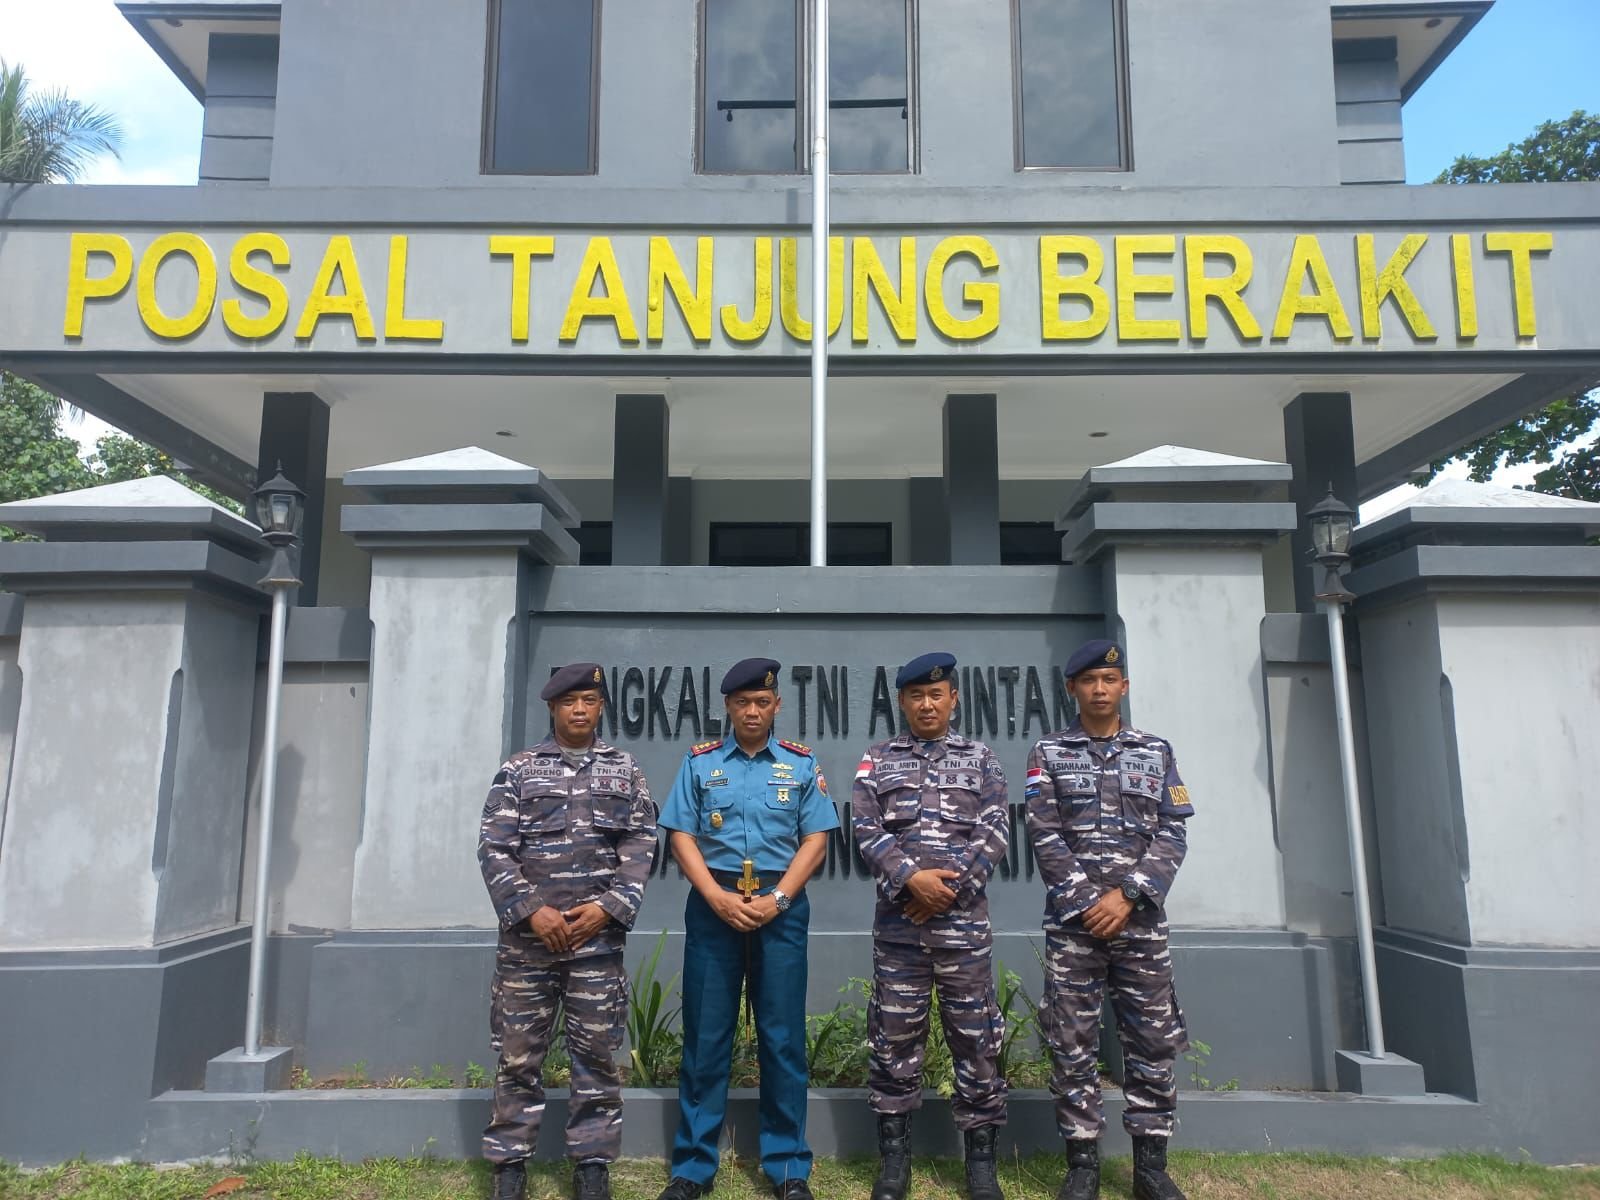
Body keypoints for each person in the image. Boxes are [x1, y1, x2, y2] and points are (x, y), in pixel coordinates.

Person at [654, 657, 839, 1200]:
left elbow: (817, 839)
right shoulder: (700, 762)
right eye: (742, 703)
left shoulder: (801, 764)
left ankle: (787, 1167)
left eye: (762, 702)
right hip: (714, 906)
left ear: (777, 705)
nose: (752, 711)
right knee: (706, 1038)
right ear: (728, 707)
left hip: (781, 907)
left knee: (782, 1038)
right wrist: (714, 895)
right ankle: (692, 1168)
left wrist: (779, 899)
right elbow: (681, 835)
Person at [478, 663, 659, 1200]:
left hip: (596, 946)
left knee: (597, 1055)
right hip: (528, 947)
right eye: (569, 701)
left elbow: (641, 843)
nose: (580, 709)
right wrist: (530, 910)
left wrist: (610, 907)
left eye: (589, 700)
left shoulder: (624, 769)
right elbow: (494, 848)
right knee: (518, 1056)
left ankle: (592, 1165)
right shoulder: (519, 770)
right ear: (553, 707)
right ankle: (510, 1166)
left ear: (601, 706)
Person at [1025, 640, 1195, 1200]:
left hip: (1140, 924)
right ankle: (1082, 1165)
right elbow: (1043, 834)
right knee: (1071, 1040)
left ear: (1124, 687)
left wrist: (1127, 896)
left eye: (1109, 680)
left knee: (1152, 1040)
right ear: (1072, 689)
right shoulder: (1049, 752)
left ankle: (1151, 1167)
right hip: (1074, 928)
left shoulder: (1156, 751)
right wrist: (1086, 901)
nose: (1099, 689)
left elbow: (1173, 830)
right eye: (1089, 681)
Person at [851, 652, 1011, 1200]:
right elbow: (865, 829)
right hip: (900, 934)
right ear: (902, 701)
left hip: (964, 934)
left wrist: (945, 893)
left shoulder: (982, 759)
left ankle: (981, 1166)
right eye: (916, 695)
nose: (926, 704)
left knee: (976, 1042)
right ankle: (894, 1163)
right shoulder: (877, 760)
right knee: (894, 1040)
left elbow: (995, 831)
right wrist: (911, 880)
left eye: (936, 694)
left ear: (953, 699)